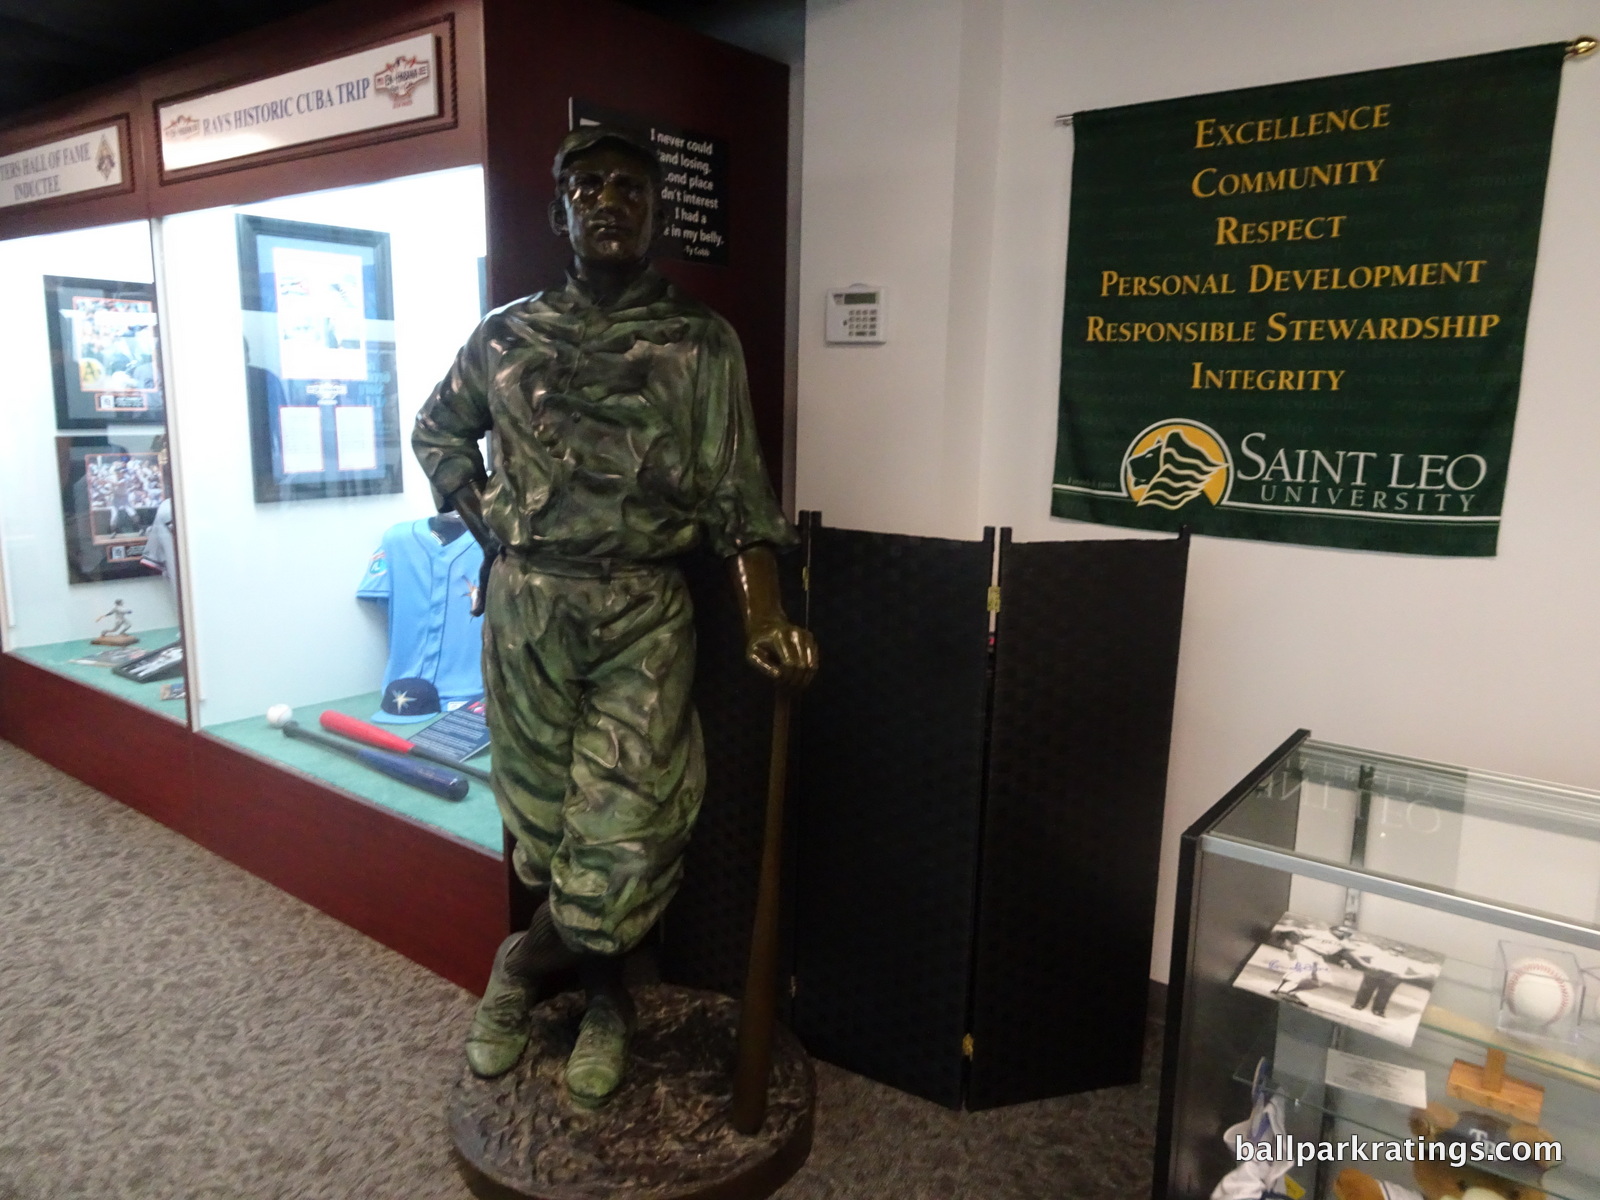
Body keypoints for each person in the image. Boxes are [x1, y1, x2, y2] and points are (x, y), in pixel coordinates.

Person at [412, 127, 817, 1108]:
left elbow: (736, 497)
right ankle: (603, 1000)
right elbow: (439, 430)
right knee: (548, 834)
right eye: (586, 185)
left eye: (630, 188)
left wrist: (766, 616)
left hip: (642, 608)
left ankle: (520, 971)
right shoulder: (504, 335)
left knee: (624, 835)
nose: (607, 200)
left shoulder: (697, 342)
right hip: (527, 613)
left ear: (657, 213)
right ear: (558, 212)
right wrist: (491, 524)